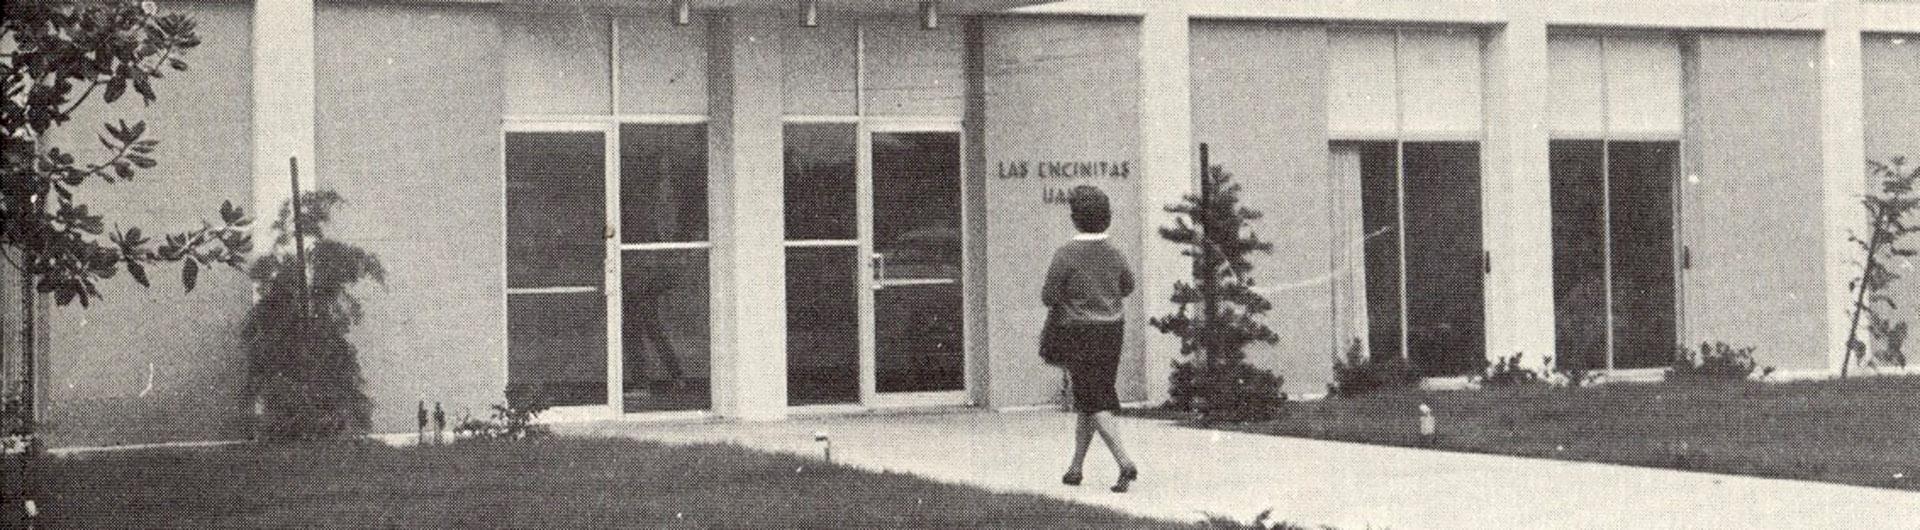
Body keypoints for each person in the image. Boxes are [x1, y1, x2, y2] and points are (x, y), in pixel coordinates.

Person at [1041, 185, 1139, 493]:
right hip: (1113, 330)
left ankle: (1124, 462)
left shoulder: (1065, 254)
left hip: (1079, 332)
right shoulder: (1115, 253)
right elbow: (1127, 286)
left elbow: (1049, 296)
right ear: (1107, 219)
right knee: (1091, 398)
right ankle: (1075, 468)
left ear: (1074, 219)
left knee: (1092, 399)